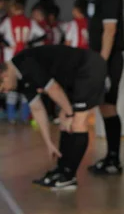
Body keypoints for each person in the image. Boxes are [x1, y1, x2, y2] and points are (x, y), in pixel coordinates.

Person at [0, 45, 106, 189]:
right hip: (72, 78)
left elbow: (53, 89)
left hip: (88, 67)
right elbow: (37, 108)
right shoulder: (18, 78)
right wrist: (49, 143)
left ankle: (69, 177)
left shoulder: (26, 64)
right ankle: (61, 170)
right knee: (64, 122)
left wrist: (69, 113)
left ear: (4, 76)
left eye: (3, 88)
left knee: (78, 123)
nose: (6, 92)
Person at [86, 0, 124, 175]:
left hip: (108, 61)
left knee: (108, 105)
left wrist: (101, 64)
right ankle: (111, 157)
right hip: (99, 59)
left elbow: (109, 32)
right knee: (104, 107)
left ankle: (114, 159)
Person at [0, 0, 46, 124]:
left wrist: (6, 43)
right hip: (26, 60)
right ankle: (25, 117)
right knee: (26, 88)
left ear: (13, 7)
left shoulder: (8, 22)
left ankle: (11, 117)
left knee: (10, 89)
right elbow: (43, 34)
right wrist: (30, 43)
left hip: (11, 62)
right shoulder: (30, 22)